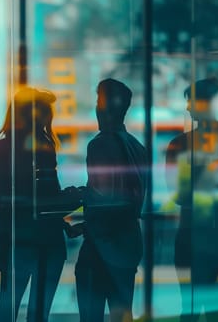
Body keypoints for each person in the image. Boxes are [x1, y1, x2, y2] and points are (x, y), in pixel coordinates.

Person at [0, 86, 82, 322]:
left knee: (6, 314)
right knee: (39, 315)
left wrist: (0, 249)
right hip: (45, 242)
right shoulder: (42, 148)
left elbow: (4, 203)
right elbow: (46, 200)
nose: (47, 120)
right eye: (44, 114)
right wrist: (76, 197)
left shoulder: (0, 149)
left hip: (14, 242)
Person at [75, 78, 148, 322]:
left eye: (99, 101)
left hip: (101, 247)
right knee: (122, 314)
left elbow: (104, 195)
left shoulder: (100, 144)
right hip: (128, 244)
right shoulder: (137, 146)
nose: (96, 108)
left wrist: (76, 194)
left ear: (107, 107)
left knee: (90, 316)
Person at [165, 78, 218, 321]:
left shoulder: (179, 145)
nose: (187, 108)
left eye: (190, 102)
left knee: (190, 309)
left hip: (192, 234)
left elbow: (178, 194)